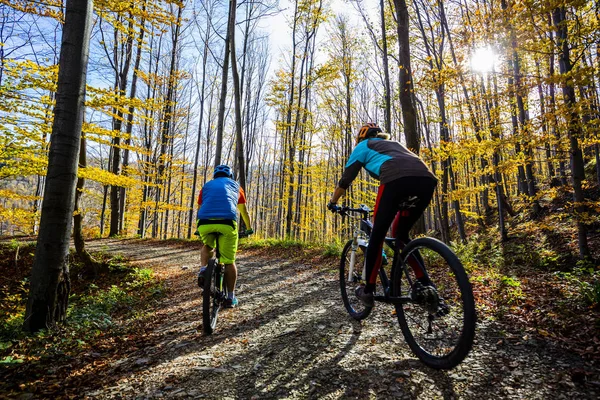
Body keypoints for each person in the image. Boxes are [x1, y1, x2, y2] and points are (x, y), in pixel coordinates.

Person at [327, 123, 437, 307]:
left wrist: (333, 202)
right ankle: (425, 283)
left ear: (361, 138)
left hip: (396, 179)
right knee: (400, 236)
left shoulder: (363, 146)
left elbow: (346, 179)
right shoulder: (394, 144)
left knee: (377, 236)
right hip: (427, 180)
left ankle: (368, 290)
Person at [197, 165, 253, 308]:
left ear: (215, 176)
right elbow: (244, 212)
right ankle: (230, 297)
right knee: (229, 261)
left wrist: (199, 228)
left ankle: (203, 270)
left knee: (208, 246)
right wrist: (249, 228)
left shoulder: (206, 186)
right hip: (227, 223)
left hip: (204, 222)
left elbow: (200, 208)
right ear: (230, 176)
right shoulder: (236, 186)